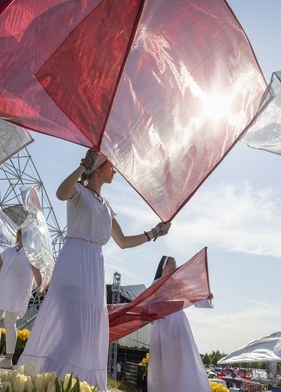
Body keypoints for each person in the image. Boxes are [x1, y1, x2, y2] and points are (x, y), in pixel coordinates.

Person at [17, 149, 171, 391]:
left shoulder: (106, 206)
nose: (115, 171)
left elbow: (122, 241)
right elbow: (60, 193)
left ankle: (62, 383)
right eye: (111, 166)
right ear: (98, 167)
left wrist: (153, 233)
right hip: (74, 259)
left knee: (84, 333)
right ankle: (48, 381)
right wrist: (82, 165)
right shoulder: (78, 191)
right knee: (73, 331)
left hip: (94, 266)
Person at [148, 255, 212, 392]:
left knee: (179, 359)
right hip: (161, 325)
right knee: (161, 362)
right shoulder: (156, 284)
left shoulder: (178, 283)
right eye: (171, 263)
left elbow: (194, 296)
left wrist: (206, 296)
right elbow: (148, 305)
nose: (174, 265)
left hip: (178, 324)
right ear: (163, 266)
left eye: (175, 263)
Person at [0, 229, 42, 369]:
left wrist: (41, 288)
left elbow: (36, 273)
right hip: (2, 290)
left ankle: (8, 359)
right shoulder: (8, 251)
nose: (24, 236)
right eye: (22, 234)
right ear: (18, 235)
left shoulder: (31, 254)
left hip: (18, 291)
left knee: (10, 321)